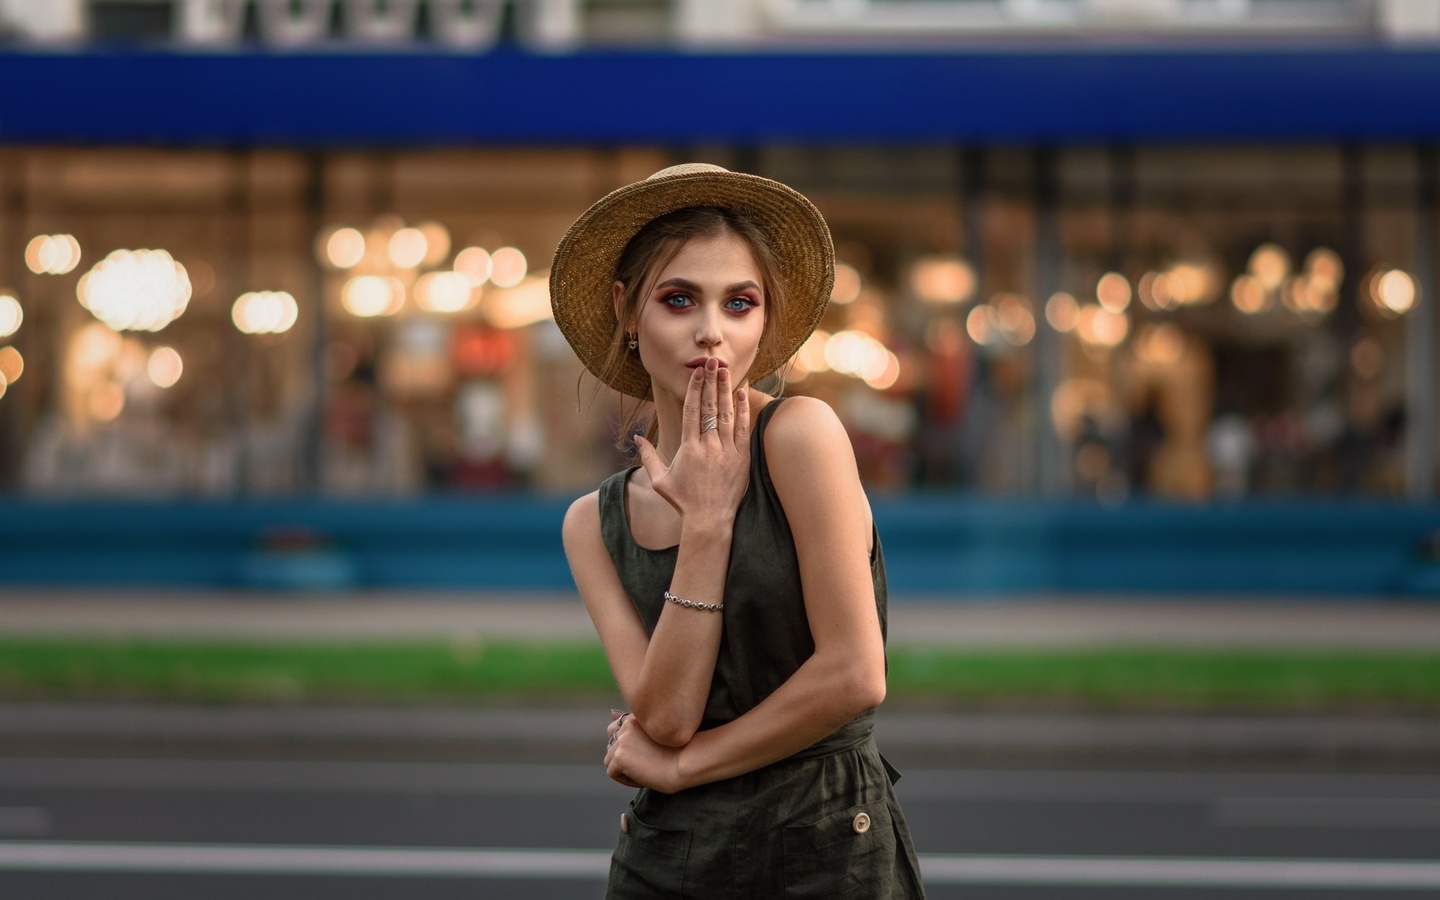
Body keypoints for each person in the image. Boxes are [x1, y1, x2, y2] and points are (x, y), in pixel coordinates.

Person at [550, 163, 926, 898]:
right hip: (667, 862)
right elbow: (665, 715)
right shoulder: (592, 523)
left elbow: (855, 672)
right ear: (628, 310)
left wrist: (686, 766)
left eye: (740, 303)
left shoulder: (801, 437)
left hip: (824, 846)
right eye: (680, 298)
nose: (711, 332)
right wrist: (710, 525)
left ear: (765, 319)